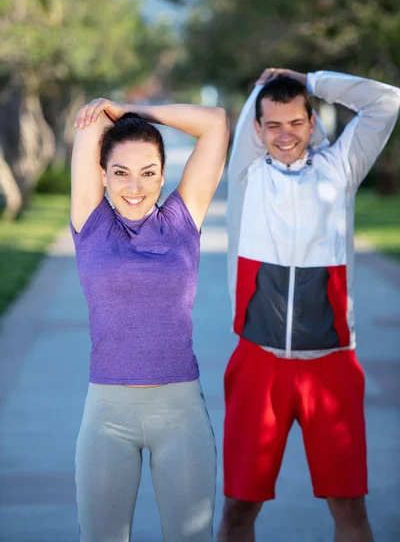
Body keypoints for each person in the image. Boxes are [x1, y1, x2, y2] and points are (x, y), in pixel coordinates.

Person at [218, 68, 400, 542]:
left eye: (296, 123)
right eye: (272, 125)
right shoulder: (246, 174)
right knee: (238, 508)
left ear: (313, 123)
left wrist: (311, 80)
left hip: (332, 366)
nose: (284, 135)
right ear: (257, 130)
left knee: (350, 510)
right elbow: (249, 119)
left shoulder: (340, 169)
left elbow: (387, 102)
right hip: (259, 364)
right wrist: (261, 87)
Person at [71, 98, 229, 542]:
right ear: (102, 175)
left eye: (148, 172)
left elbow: (214, 123)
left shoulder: (183, 218)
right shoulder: (90, 220)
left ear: (164, 173)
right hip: (107, 415)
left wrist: (129, 108)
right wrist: (108, 112)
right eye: (120, 172)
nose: (134, 187)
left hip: (181, 414)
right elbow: (90, 123)